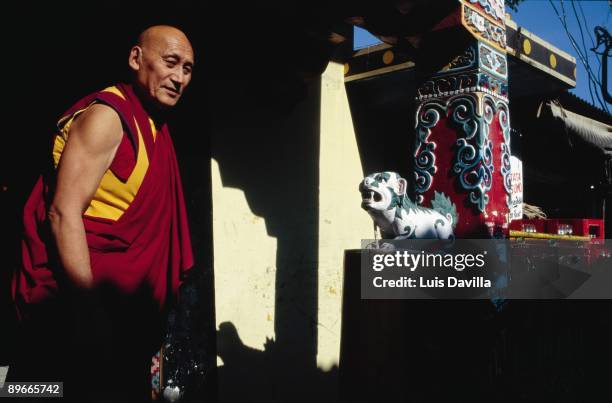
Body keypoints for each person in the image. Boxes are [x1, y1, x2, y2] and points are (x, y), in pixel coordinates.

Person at [9, 25, 195, 402]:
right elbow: (63, 212)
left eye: (188, 69)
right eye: (170, 62)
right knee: (35, 392)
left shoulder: (155, 129)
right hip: (77, 311)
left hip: (122, 319)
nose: (178, 78)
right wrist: (89, 314)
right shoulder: (109, 117)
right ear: (136, 58)